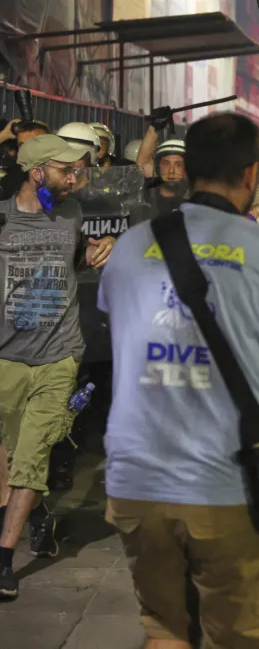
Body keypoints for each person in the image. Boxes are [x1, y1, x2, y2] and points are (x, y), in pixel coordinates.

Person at [98, 112, 259, 647]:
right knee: (248, 636)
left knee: (163, 629)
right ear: (251, 174)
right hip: (226, 486)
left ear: (186, 170)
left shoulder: (131, 246)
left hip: (136, 481)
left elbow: (124, 330)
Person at [0, 135, 116, 600]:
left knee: (33, 452)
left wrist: (99, 249)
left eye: (77, 170)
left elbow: (77, 259)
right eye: (65, 170)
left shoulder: (71, 215)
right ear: (35, 173)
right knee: (10, 452)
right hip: (7, 354)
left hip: (60, 353)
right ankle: (38, 513)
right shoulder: (2, 218)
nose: (74, 177)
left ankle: (4, 558)